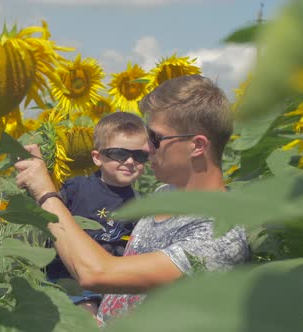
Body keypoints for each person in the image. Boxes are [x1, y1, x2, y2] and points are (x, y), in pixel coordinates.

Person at [15, 75, 249, 327]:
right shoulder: (164, 195)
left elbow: (97, 273)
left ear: (197, 146)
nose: (147, 150)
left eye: (156, 139)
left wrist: (45, 193)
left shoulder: (218, 234)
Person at [47, 111, 149, 315]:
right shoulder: (76, 188)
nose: (130, 161)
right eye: (119, 154)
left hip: (115, 282)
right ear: (97, 157)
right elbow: (47, 217)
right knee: (88, 313)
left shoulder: (143, 204)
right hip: (70, 279)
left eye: (139, 156)